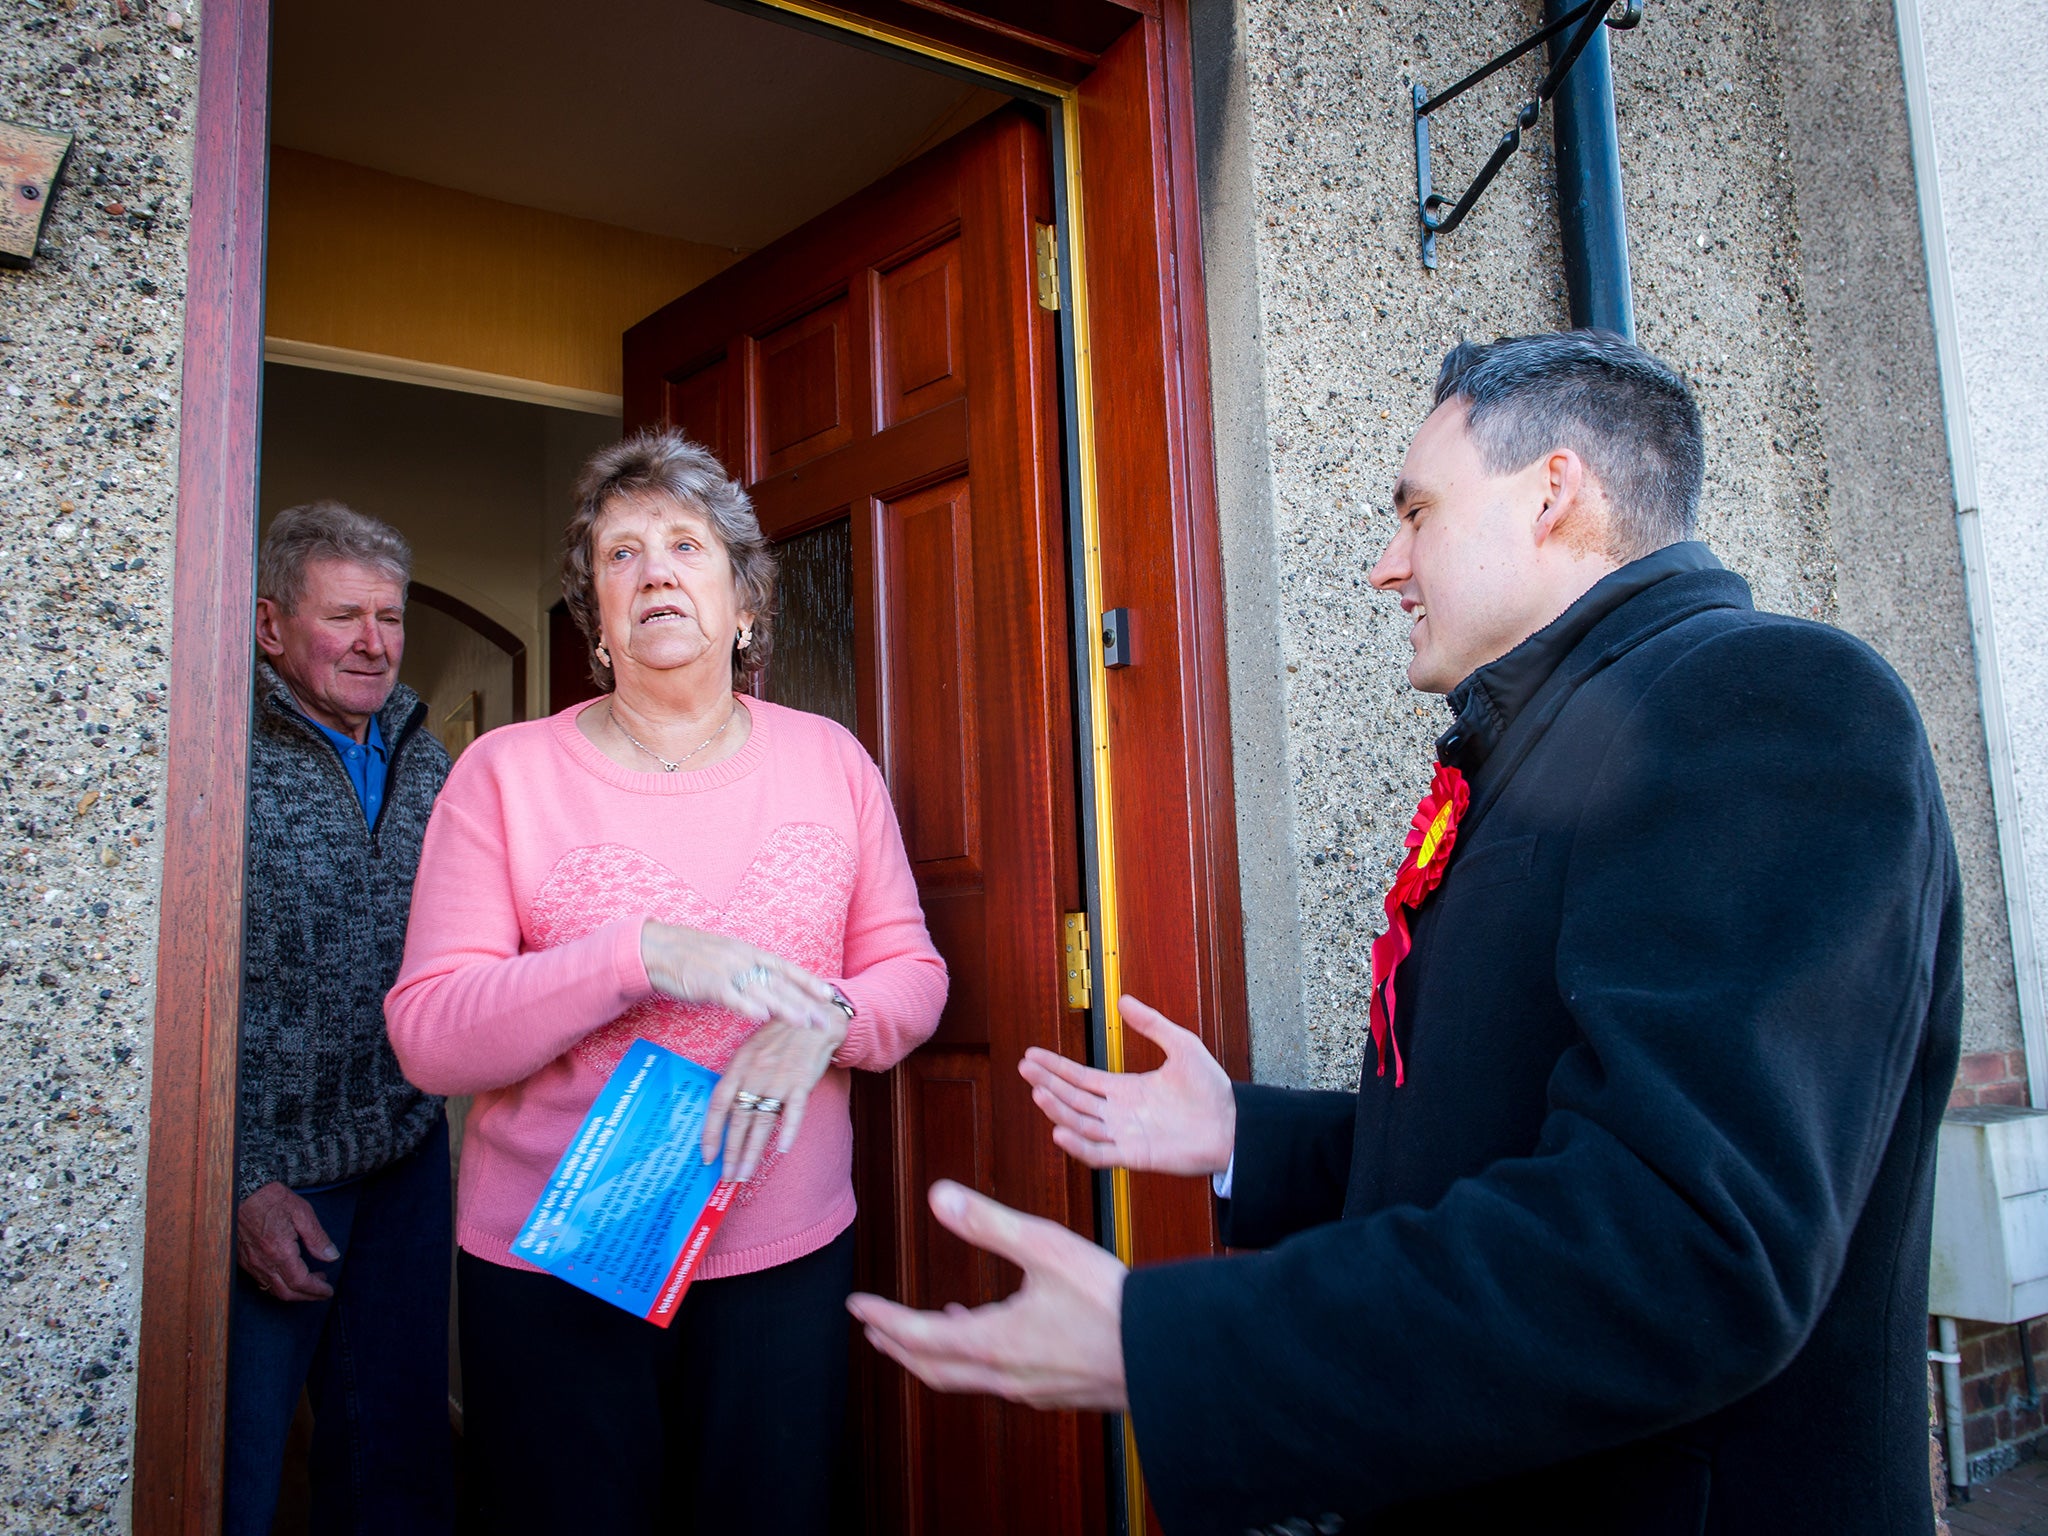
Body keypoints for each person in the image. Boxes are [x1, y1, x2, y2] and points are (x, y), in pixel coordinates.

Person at [850, 331, 1963, 1535]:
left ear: (1551, 492)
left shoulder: (1768, 703)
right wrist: (1241, 1135)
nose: (1386, 565)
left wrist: (1168, 1346)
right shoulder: (1548, 742)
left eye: (1415, 510)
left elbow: (1676, 1242)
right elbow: (1495, 1143)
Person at [384, 428, 947, 1534]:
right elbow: (430, 1036)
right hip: (562, 1261)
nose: (653, 573)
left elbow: (910, 973)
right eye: (620, 555)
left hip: (780, 1254)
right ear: (595, 620)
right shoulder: (505, 776)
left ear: (743, 604)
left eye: (686, 547)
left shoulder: (829, 760)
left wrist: (826, 1020)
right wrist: (634, 954)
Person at [227, 501, 455, 1536]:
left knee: (396, 1454)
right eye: (345, 617)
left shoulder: (430, 756)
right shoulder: (216, 748)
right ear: (272, 625)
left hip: (406, 1149)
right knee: (238, 1464)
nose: (374, 643)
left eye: (390, 618)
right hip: (270, 1169)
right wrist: (236, 1179)